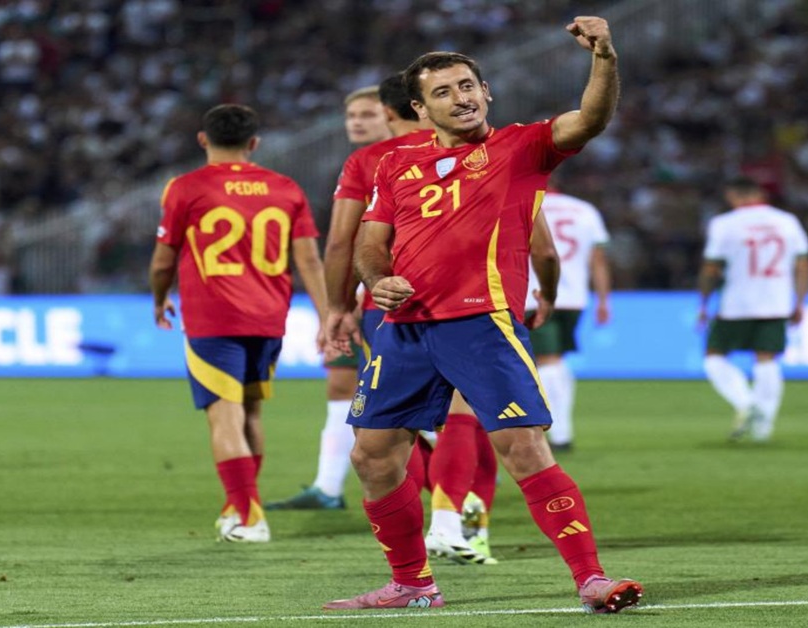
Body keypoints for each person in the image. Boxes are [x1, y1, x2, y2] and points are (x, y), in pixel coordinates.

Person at [324, 17, 642, 614]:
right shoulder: (394, 163)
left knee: (523, 447)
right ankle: (413, 585)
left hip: (482, 323)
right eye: (443, 91)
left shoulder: (521, 148)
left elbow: (590, 120)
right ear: (420, 108)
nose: (460, 97)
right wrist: (377, 278)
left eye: (468, 85)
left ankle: (592, 579)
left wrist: (604, 57)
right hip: (405, 328)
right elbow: (371, 241)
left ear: (486, 91)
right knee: (371, 455)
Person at [149, 104, 329, 542]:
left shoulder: (185, 188)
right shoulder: (285, 188)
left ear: (202, 139)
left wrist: (159, 298)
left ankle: (250, 517)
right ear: (254, 144)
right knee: (250, 411)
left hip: (213, 317)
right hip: (269, 316)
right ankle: (238, 507)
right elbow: (308, 259)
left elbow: (163, 259)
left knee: (223, 418)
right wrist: (329, 318)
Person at [265, 77, 435, 511]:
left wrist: (335, 309)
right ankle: (329, 486)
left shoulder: (386, 160)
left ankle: (442, 500)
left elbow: (343, 242)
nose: (356, 122)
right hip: (370, 299)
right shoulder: (364, 163)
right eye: (351, 115)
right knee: (345, 386)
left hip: (389, 302)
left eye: (367, 114)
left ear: (393, 113)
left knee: (396, 413)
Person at [698, 175, 808, 442]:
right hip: (776, 302)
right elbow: (804, 265)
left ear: (733, 196)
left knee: (714, 356)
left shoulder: (724, 224)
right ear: (760, 195)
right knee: (767, 358)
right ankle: (763, 427)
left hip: (736, 303)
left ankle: (746, 403)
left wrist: (703, 303)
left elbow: (711, 268)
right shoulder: (787, 221)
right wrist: (800, 302)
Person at [524, 189, 612, 452]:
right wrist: (604, 299)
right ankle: (562, 429)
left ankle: (560, 435)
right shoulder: (585, 209)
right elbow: (598, 259)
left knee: (547, 361)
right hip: (575, 297)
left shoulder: (524, 203)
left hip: (536, 294)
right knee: (557, 358)